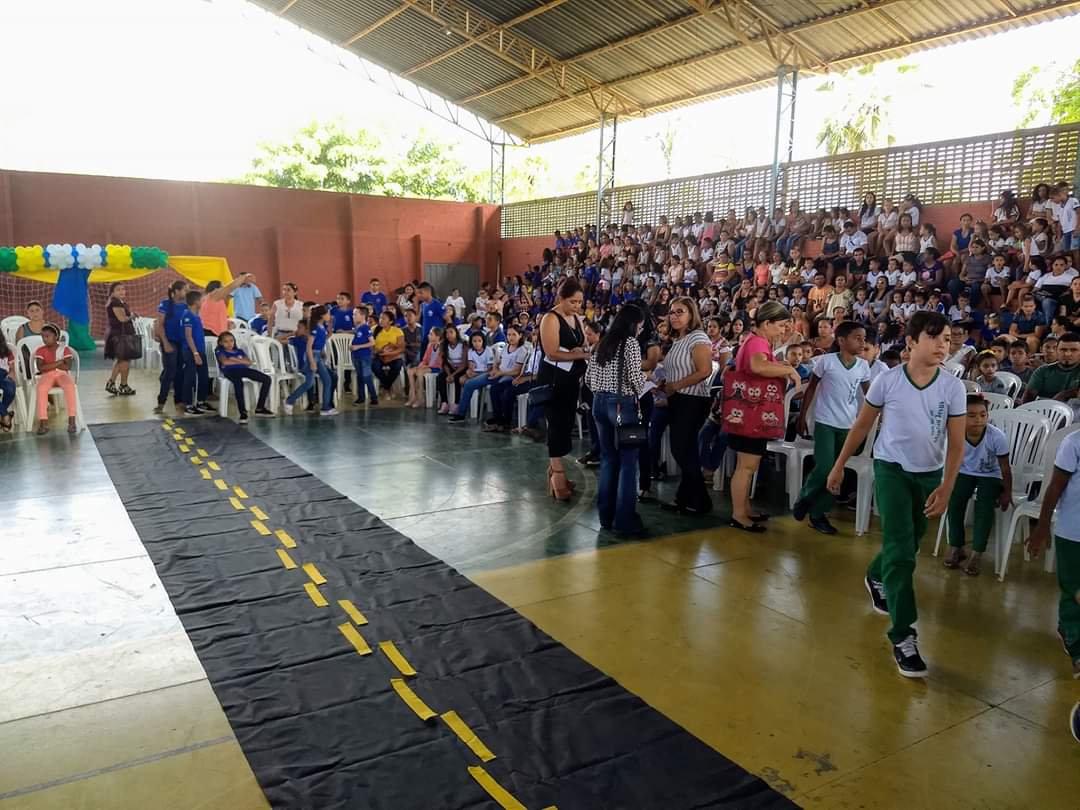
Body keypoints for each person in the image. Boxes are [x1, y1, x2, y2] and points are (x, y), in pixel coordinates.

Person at [827, 311, 966, 678]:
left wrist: (947, 486)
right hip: (890, 470)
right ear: (912, 341)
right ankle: (903, 634)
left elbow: (955, 444)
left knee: (909, 542)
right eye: (935, 337)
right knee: (903, 552)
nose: (942, 345)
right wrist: (839, 464)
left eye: (947, 339)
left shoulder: (953, 387)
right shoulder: (888, 381)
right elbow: (862, 426)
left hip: (929, 475)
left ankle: (876, 575)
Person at [725, 301, 801, 530]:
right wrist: (788, 370)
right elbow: (758, 367)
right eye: (780, 326)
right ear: (766, 323)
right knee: (746, 467)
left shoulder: (755, 341)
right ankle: (739, 514)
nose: (783, 331)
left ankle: (744, 508)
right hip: (751, 413)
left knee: (748, 465)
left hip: (750, 413)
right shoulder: (757, 341)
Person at [793, 321, 871, 534]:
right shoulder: (826, 362)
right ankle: (805, 497)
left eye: (864, 338)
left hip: (848, 426)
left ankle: (818, 514)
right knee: (825, 467)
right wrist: (802, 417)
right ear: (842, 341)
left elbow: (869, 395)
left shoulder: (863, 366)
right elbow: (810, 390)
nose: (862, 342)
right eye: (858, 338)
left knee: (837, 472)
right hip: (826, 422)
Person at [586, 305, 647, 534]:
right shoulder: (630, 343)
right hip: (622, 405)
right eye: (639, 326)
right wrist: (646, 379)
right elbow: (634, 378)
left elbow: (589, 379)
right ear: (632, 324)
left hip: (599, 404)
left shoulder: (601, 342)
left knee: (608, 460)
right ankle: (624, 520)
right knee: (628, 463)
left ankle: (605, 516)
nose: (640, 330)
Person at [1025, 427, 1080, 681]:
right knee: (1073, 589)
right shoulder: (1073, 443)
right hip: (1073, 531)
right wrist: (1042, 526)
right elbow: (1055, 487)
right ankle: (1075, 643)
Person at [658, 297, 717, 516]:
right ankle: (684, 498)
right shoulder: (678, 340)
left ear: (691, 314)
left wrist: (676, 386)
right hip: (678, 397)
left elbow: (704, 370)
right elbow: (678, 369)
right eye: (671, 312)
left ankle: (700, 500)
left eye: (680, 312)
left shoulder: (698, 337)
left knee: (681, 449)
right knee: (685, 450)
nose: (674, 316)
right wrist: (666, 384)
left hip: (692, 400)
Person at [943, 395, 1012, 576]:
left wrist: (1007, 492)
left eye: (983, 415)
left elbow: (1005, 468)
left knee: (984, 507)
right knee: (955, 502)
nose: (978, 419)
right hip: (965, 472)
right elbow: (950, 459)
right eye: (971, 415)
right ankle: (956, 547)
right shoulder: (955, 433)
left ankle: (977, 553)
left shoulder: (996, 436)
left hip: (991, 475)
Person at [538, 277, 589, 501]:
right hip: (554, 378)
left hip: (571, 378)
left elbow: (584, 344)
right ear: (561, 299)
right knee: (556, 423)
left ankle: (555, 470)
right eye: (572, 302)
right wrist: (579, 353)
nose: (577, 306)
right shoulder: (551, 318)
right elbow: (551, 352)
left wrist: (581, 349)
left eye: (579, 302)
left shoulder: (576, 318)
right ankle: (557, 473)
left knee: (566, 423)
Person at [284, 306, 337, 416]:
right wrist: (312, 362)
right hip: (312, 355)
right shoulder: (315, 328)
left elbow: (326, 337)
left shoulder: (322, 327)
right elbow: (309, 347)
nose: (329, 316)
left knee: (327, 380)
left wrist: (331, 326)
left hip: (318, 355)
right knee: (309, 383)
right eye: (327, 314)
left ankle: (326, 407)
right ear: (322, 316)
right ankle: (289, 401)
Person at [214, 331, 273, 424]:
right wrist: (241, 361)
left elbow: (249, 363)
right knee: (238, 383)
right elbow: (225, 362)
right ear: (221, 343)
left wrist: (233, 359)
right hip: (230, 371)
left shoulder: (239, 351)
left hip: (244, 370)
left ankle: (260, 408)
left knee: (267, 379)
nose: (229, 343)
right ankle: (243, 412)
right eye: (226, 341)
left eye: (231, 341)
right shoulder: (220, 351)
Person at [33, 323, 78, 435]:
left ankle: (72, 420)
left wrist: (51, 365)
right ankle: (43, 422)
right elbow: (41, 368)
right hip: (47, 375)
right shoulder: (40, 350)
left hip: (63, 374)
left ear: (56, 337)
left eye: (47, 336)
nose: (44, 339)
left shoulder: (64, 349)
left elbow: (67, 366)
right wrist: (58, 363)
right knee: (41, 388)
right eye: (43, 337)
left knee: (69, 387)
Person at [482, 324, 527, 432]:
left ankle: (505, 422)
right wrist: (495, 368)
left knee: (499, 390)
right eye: (508, 334)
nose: (510, 337)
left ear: (520, 335)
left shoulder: (522, 350)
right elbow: (498, 361)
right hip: (500, 373)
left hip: (510, 377)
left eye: (514, 335)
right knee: (494, 389)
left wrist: (500, 373)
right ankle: (498, 420)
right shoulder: (506, 346)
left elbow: (517, 371)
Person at [154, 281, 188, 415]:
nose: (186, 293)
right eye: (185, 290)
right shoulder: (166, 304)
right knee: (170, 371)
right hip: (170, 341)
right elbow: (160, 325)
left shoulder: (186, 305)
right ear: (177, 291)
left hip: (182, 342)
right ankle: (161, 402)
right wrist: (166, 343)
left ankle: (178, 400)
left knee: (180, 372)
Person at [449, 331, 495, 423]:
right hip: (475, 373)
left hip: (485, 373)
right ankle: (465, 404)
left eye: (479, 341)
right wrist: (469, 371)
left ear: (483, 341)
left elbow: (490, 369)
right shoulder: (471, 351)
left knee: (468, 384)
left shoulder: (488, 350)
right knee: (461, 379)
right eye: (474, 341)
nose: (477, 343)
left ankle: (461, 411)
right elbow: (471, 365)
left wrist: (476, 374)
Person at [1022, 332, 1080, 403]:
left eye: (1074, 350)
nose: (1067, 354)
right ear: (1057, 351)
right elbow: (1027, 400)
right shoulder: (1042, 371)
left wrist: (1063, 395)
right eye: (1063, 349)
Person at [103, 281, 137, 397]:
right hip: (120, 335)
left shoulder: (119, 302)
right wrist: (132, 316)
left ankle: (111, 383)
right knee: (124, 360)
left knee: (121, 360)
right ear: (112, 292)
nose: (122, 291)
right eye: (118, 289)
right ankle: (123, 385)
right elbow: (122, 319)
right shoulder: (115, 303)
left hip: (121, 334)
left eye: (123, 289)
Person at [180, 291, 211, 415]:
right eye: (201, 300)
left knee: (204, 376)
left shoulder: (196, 315)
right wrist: (195, 353)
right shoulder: (187, 315)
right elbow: (188, 336)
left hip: (200, 349)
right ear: (196, 302)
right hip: (191, 351)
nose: (203, 302)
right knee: (190, 377)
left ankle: (201, 401)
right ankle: (188, 404)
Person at [405, 327, 442, 409]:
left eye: (431, 334)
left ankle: (420, 398)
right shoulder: (430, 346)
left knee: (420, 372)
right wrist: (421, 365)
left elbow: (439, 362)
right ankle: (412, 396)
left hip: (437, 368)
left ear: (437, 337)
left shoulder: (441, 347)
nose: (428, 336)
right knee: (410, 371)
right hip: (427, 366)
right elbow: (425, 359)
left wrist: (425, 366)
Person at [372, 310, 405, 398]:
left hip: (393, 356)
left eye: (383, 318)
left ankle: (385, 387)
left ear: (390, 321)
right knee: (375, 366)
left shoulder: (397, 331)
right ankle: (388, 387)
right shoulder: (374, 329)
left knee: (398, 365)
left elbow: (401, 348)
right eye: (380, 318)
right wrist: (380, 352)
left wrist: (390, 353)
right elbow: (371, 346)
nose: (380, 320)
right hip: (379, 355)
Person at [437, 324, 468, 414]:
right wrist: (449, 374)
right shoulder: (443, 345)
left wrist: (453, 375)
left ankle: (456, 404)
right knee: (440, 377)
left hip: (461, 368)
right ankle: (444, 403)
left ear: (456, 333)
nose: (449, 335)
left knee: (457, 378)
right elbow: (445, 362)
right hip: (450, 367)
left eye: (451, 332)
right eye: (447, 333)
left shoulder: (463, 344)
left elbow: (464, 363)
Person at [351, 307, 378, 406]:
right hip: (356, 356)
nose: (353, 316)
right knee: (360, 377)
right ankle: (361, 397)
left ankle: (374, 398)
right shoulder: (357, 328)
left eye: (355, 314)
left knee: (366, 377)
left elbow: (372, 342)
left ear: (362, 316)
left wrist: (358, 347)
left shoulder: (366, 328)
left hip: (364, 356)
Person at [0, 330, 15, 431]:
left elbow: (12, 369)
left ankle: (2, 413)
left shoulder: (7, 351)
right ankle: (5, 416)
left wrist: (11, 374)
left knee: (10, 389)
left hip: (3, 374)